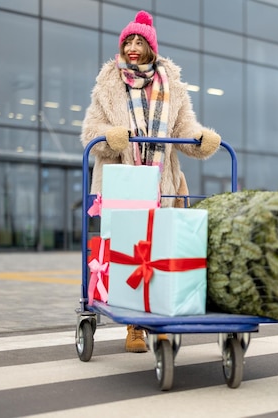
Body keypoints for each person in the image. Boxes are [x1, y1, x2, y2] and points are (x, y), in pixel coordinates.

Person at [80, 10, 221, 352]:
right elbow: (89, 133)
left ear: (151, 48)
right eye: (128, 41)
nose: (132, 47)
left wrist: (200, 138)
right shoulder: (108, 84)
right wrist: (109, 136)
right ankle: (134, 328)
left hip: (161, 181)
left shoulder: (170, 84)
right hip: (123, 182)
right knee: (129, 251)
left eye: (139, 41)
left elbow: (183, 126)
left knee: (159, 251)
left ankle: (159, 318)